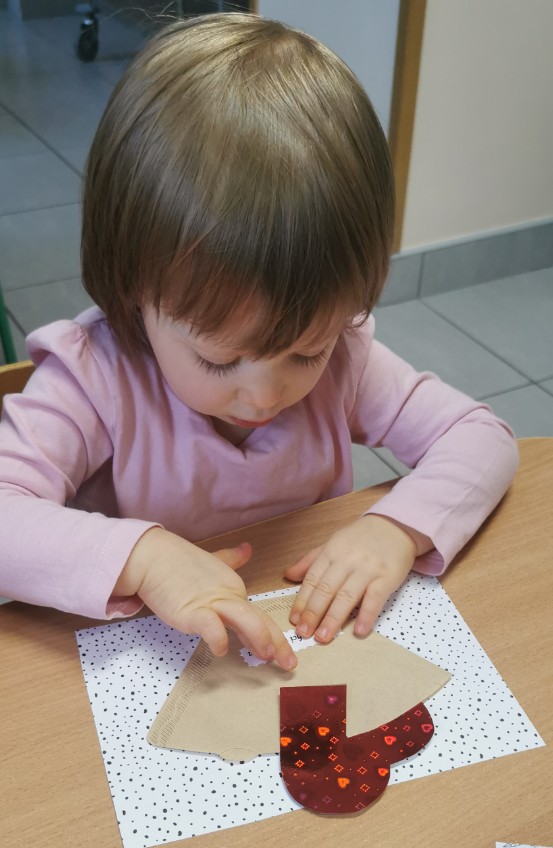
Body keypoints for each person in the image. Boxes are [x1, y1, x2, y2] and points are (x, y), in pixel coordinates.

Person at [0, 13, 518, 672]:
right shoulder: (94, 376)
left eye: (307, 350)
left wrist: (396, 527)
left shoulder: (347, 360)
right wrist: (144, 558)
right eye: (219, 359)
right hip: (143, 661)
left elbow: (481, 437)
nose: (266, 393)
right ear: (133, 289)